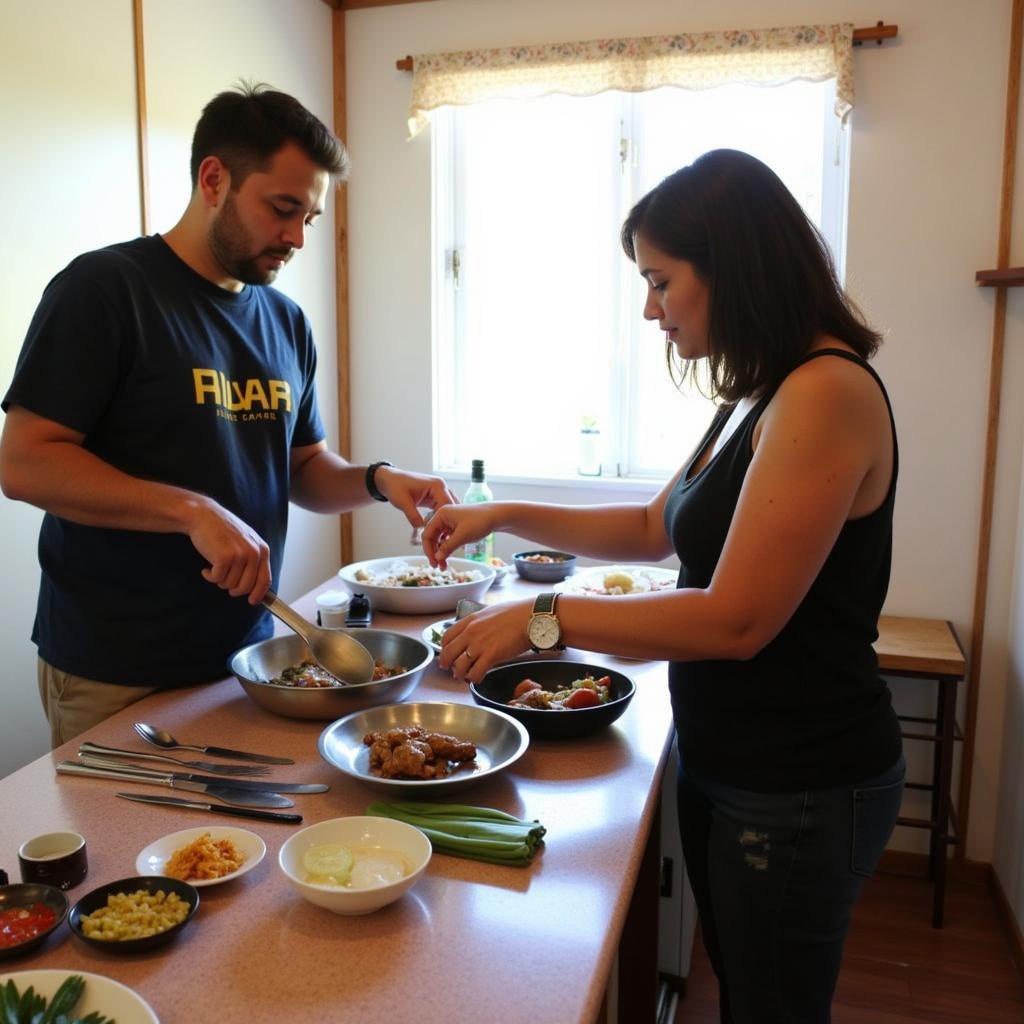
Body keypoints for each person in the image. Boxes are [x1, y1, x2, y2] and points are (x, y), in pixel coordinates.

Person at [421, 149, 904, 1022]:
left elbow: (738, 620)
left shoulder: (825, 392)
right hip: (737, 758)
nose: (650, 309)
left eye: (660, 280)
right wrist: (504, 514)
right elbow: (655, 527)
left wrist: (545, 615)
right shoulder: (758, 392)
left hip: (798, 778)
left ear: (735, 266)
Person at [0, 83, 456, 746]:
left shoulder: (284, 320)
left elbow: (302, 468)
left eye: (311, 217)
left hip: (250, 655)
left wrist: (379, 480)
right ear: (214, 179)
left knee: (239, 849)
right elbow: (24, 463)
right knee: (129, 851)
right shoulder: (105, 290)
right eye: (282, 208)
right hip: (115, 668)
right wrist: (193, 511)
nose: (297, 236)